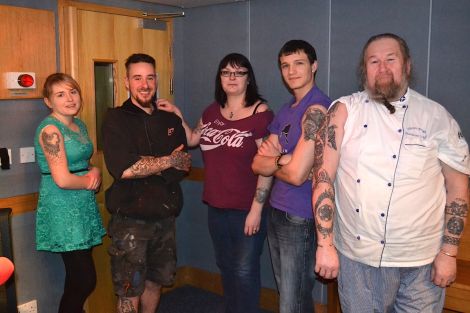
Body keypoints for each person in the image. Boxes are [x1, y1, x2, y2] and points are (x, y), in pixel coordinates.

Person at [314, 33, 470, 312]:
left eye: (391, 59)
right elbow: (323, 177)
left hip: (421, 262)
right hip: (360, 259)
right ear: (364, 69)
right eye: (374, 61)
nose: (382, 67)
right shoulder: (343, 111)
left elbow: (458, 188)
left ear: (407, 66)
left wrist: (449, 252)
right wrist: (324, 245)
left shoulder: (436, 117)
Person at [158, 53, 274, 313]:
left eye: (238, 72)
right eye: (226, 72)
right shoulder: (212, 111)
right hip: (216, 205)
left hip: (247, 208)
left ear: (248, 78)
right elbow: (192, 139)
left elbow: (267, 167)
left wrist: (257, 210)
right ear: (220, 78)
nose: (232, 78)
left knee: (244, 270)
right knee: (226, 265)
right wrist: (177, 114)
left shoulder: (260, 114)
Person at [102, 53, 191, 313]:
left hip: (165, 219)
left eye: (150, 77)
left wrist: (150, 163)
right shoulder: (116, 119)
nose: (144, 84)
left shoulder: (170, 120)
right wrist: (166, 161)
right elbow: (124, 169)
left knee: (156, 283)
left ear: (156, 80)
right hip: (130, 222)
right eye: (137, 78)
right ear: (126, 82)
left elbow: (182, 164)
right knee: (130, 289)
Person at [252, 40, 331, 313]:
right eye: (285, 65)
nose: (291, 71)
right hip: (276, 210)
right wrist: (283, 159)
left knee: (293, 301)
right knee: (287, 293)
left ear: (314, 66)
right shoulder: (287, 109)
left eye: (299, 63)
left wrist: (276, 161)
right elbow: (257, 164)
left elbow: (297, 175)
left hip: (300, 216)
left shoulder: (318, 108)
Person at [34, 73, 105, 313]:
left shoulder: (78, 124)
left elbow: (84, 161)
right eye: (60, 94)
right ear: (48, 101)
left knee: (77, 279)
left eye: (73, 92)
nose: (69, 98)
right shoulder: (50, 130)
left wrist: (94, 169)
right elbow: (63, 179)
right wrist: (89, 180)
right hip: (63, 206)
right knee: (85, 280)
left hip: (82, 204)